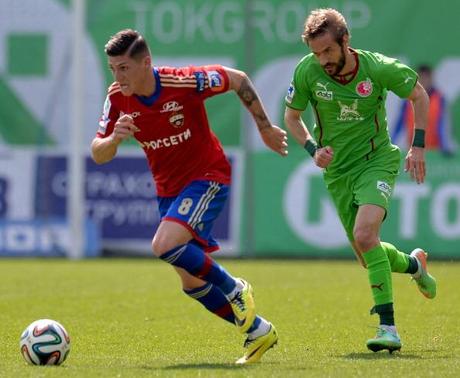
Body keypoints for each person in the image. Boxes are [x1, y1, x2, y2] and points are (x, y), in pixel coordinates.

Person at [92, 29, 287, 364]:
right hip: (168, 191)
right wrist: (113, 141)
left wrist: (265, 128)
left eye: (124, 67)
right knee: (189, 281)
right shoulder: (116, 97)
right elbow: (98, 153)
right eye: (112, 68)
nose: (118, 76)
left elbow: (237, 79)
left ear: (146, 63)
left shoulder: (184, 83)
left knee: (163, 245)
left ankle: (235, 288)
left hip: (208, 176)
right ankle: (258, 330)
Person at [284, 8, 437, 353]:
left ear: (345, 41)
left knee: (366, 234)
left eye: (327, 51)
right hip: (338, 172)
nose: (322, 59)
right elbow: (291, 117)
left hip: (376, 160)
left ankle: (388, 329)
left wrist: (419, 146)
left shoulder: (377, 67)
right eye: (315, 53)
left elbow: (419, 95)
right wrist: (312, 149)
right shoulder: (307, 71)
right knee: (367, 254)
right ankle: (414, 264)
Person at [392, 64, 455, 156]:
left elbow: (443, 125)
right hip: (414, 153)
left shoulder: (440, 99)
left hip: (434, 153)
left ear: (431, 78)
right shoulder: (408, 99)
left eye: (426, 77)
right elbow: (399, 124)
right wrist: (391, 143)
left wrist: (445, 146)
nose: (424, 81)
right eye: (421, 77)